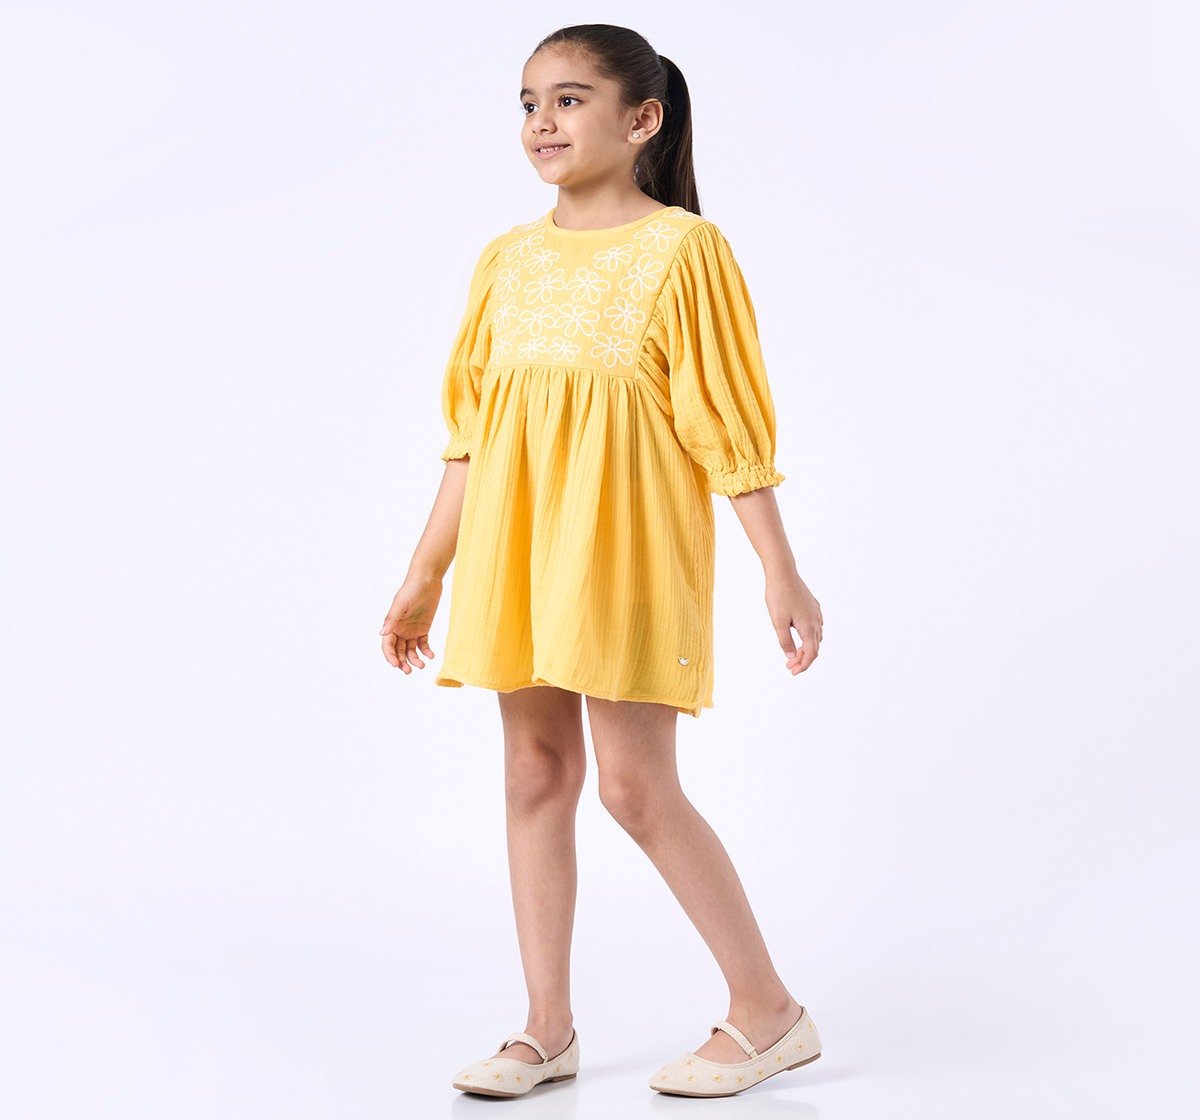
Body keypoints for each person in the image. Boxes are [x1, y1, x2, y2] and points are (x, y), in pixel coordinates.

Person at [379, 24, 825, 1099]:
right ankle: (546, 1029)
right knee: (534, 772)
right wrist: (425, 573)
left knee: (634, 786)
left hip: (625, 551)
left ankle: (770, 1012)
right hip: (516, 550)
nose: (543, 121)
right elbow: (472, 438)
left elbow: (726, 424)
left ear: (642, 119)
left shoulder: (684, 251)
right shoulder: (506, 260)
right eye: (529, 102)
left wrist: (779, 568)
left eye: (571, 99)